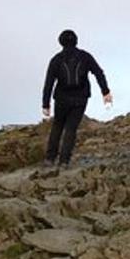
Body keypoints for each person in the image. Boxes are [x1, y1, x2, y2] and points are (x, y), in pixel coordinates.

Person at [41, 29, 112, 167]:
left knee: (57, 126)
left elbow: (49, 82)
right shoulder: (85, 56)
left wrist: (46, 104)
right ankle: (64, 161)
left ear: (60, 42)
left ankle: (50, 159)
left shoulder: (56, 59)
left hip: (61, 98)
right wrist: (105, 91)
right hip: (80, 97)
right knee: (71, 129)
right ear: (76, 40)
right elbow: (98, 73)